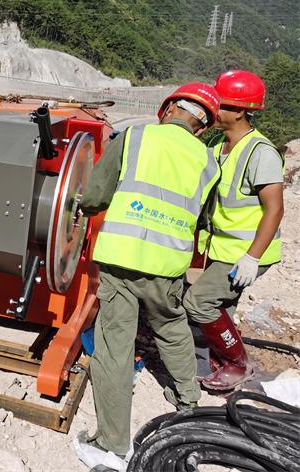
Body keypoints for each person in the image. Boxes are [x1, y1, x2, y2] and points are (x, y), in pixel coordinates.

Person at [77, 82, 221, 463]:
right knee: (172, 329)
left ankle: (112, 443)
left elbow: (96, 194)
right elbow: (203, 219)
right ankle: (188, 401)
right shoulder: (210, 162)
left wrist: (85, 207)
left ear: (168, 108)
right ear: (203, 127)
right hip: (167, 265)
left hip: (122, 258)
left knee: (114, 349)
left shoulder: (135, 137)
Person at [183, 70, 284, 391]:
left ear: (240, 111)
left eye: (220, 105)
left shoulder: (260, 152)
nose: (213, 109)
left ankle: (238, 365)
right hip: (223, 249)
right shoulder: (218, 146)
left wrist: (252, 258)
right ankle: (222, 359)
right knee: (222, 307)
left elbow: (275, 208)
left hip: (247, 252)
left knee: (198, 302)